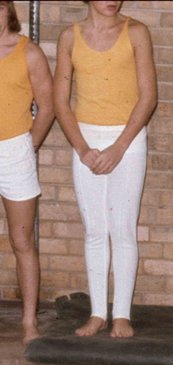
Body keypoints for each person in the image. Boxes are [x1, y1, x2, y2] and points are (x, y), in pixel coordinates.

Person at [53, 0, 156, 338]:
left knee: (123, 229)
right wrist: (82, 148)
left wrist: (119, 147)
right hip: (87, 141)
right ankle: (98, 313)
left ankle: (122, 314)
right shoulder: (69, 37)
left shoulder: (137, 32)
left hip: (128, 139)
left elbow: (148, 97)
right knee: (95, 230)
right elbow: (60, 101)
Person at [0, 0, 54, 345]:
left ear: (9, 11)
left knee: (22, 241)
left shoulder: (28, 53)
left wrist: (28, 145)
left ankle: (29, 321)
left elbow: (47, 107)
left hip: (14, 151)